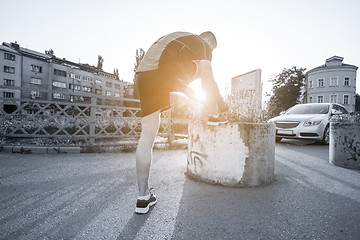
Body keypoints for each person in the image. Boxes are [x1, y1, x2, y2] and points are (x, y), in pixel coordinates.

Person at [134, 31, 229, 214]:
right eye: (213, 49)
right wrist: (221, 107)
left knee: (147, 136)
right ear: (208, 41)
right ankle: (215, 113)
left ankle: (143, 198)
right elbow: (207, 77)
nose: (211, 54)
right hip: (161, 72)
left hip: (143, 76)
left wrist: (197, 98)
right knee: (205, 71)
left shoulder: (181, 43)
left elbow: (178, 83)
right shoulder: (202, 44)